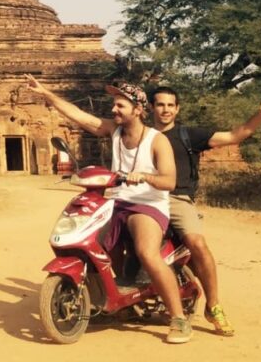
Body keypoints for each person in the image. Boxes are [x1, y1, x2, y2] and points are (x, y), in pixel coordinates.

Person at [25, 75, 192, 344]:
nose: (114, 110)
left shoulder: (156, 140)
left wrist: (145, 176)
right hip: (115, 201)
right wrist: (45, 92)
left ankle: (178, 318)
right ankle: (111, 297)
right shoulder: (113, 132)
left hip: (147, 204)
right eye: (114, 105)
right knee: (92, 245)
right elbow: (79, 116)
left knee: (147, 253)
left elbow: (169, 181)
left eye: (120, 106)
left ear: (138, 110)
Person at [150, 86, 261, 336]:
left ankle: (214, 305)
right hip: (143, 198)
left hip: (176, 198)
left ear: (177, 109)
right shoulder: (141, 135)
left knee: (197, 243)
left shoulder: (188, 135)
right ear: (151, 108)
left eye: (170, 105)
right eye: (160, 104)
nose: (165, 109)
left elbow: (233, 136)